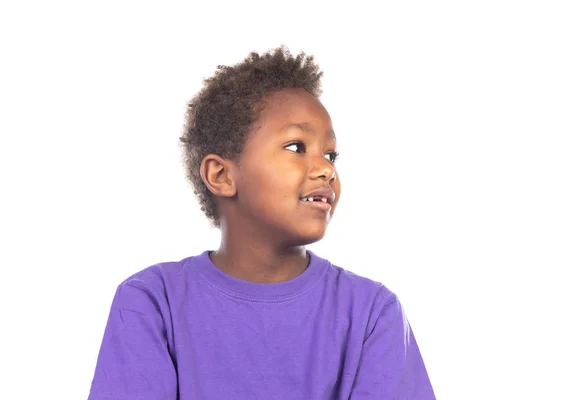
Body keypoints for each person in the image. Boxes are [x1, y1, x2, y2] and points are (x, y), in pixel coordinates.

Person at [88, 45, 436, 400]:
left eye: (330, 155)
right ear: (221, 174)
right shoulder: (152, 302)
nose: (326, 169)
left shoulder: (372, 313)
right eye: (297, 147)